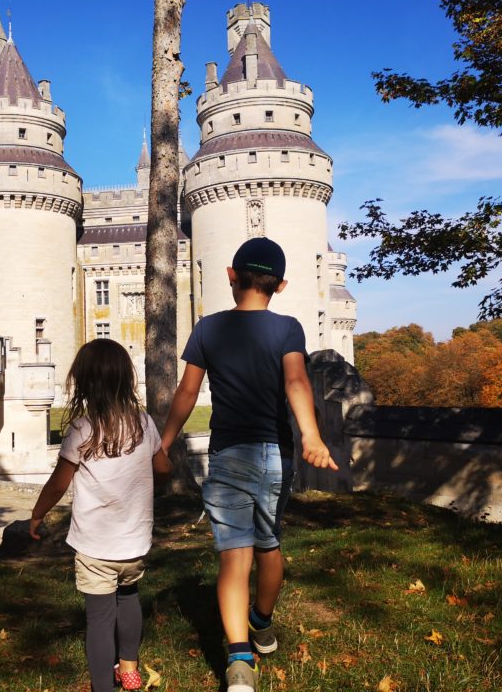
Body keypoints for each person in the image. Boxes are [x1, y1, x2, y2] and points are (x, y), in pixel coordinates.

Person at [160, 237, 339, 692]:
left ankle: (239, 665)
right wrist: (311, 435)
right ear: (280, 285)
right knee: (269, 545)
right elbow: (297, 381)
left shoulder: (208, 329)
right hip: (274, 454)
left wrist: (165, 441)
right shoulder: (287, 328)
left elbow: (185, 392)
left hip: (227, 454)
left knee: (233, 556)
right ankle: (261, 622)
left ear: (230, 276)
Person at [30, 339, 172, 692]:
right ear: (126, 379)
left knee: (99, 619)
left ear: (84, 383)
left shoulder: (81, 429)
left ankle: (102, 687)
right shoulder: (144, 423)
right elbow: (164, 468)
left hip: (95, 546)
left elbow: (57, 484)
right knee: (129, 598)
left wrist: (36, 515)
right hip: (135, 543)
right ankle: (129, 669)